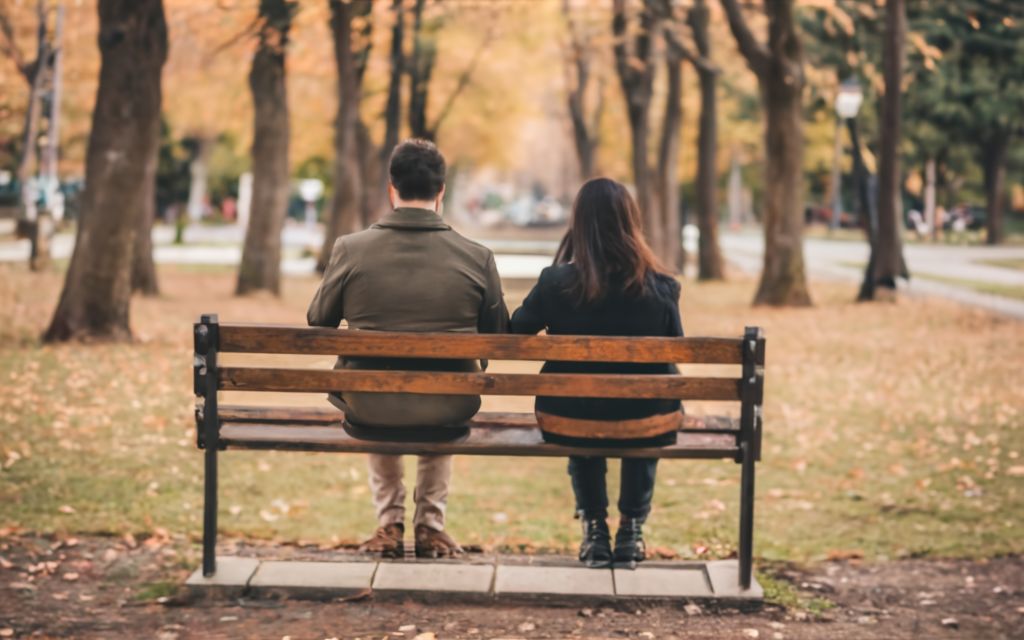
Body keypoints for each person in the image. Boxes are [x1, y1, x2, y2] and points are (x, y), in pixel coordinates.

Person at [307, 139, 509, 559]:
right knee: (440, 395)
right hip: (447, 408)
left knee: (375, 391)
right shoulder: (477, 256)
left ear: (390, 188)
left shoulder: (351, 248)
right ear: (442, 191)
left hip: (369, 407)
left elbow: (318, 320)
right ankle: (431, 525)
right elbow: (498, 334)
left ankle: (390, 522)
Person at [510, 178, 683, 569]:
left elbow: (516, 329)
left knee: (583, 408)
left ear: (579, 224)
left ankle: (594, 530)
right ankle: (631, 531)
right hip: (646, 419)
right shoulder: (662, 287)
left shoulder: (556, 283)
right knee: (645, 409)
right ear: (630, 222)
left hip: (567, 418)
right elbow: (675, 347)